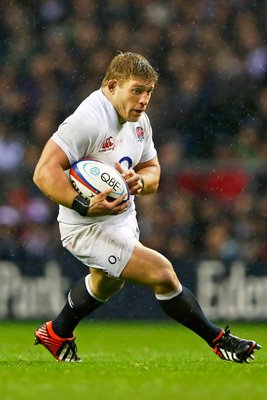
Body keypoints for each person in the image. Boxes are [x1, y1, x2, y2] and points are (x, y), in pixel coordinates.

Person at [33, 52, 261, 363]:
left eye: (149, 92)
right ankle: (219, 340)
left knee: (105, 283)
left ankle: (56, 332)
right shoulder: (88, 120)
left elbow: (152, 169)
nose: (144, 100)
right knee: (162, 272)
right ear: (113, 86)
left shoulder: (140, 122)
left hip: (122, 216)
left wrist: (140, 181)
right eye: (137, 90)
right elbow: (44, 171)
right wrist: (84, 204)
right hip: (86, 225)